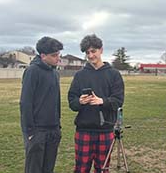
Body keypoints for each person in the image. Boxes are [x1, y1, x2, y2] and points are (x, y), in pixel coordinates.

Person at [68, 34, 124, 173]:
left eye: (93, 51)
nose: (91, 55)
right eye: (87, 52)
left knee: (102, 169)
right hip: (84, 129)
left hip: (105, 129)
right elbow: (72, 102)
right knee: (81, 169)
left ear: (101, 50)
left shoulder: (114, 74)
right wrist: (80, 101)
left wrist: (102, 101)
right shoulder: (80, 75)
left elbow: (118, 101)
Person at [20, 36, 63, 173]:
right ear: (43, 55)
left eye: (58, 54)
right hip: (37, 132)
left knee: (48, 169)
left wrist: (58, 126)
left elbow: (56, 101)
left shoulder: (55, 73)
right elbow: (25, 103)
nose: (58, 58)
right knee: (34, 169)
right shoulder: (32, 71)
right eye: (54, 55)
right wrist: (30, 132)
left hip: (53, 130)